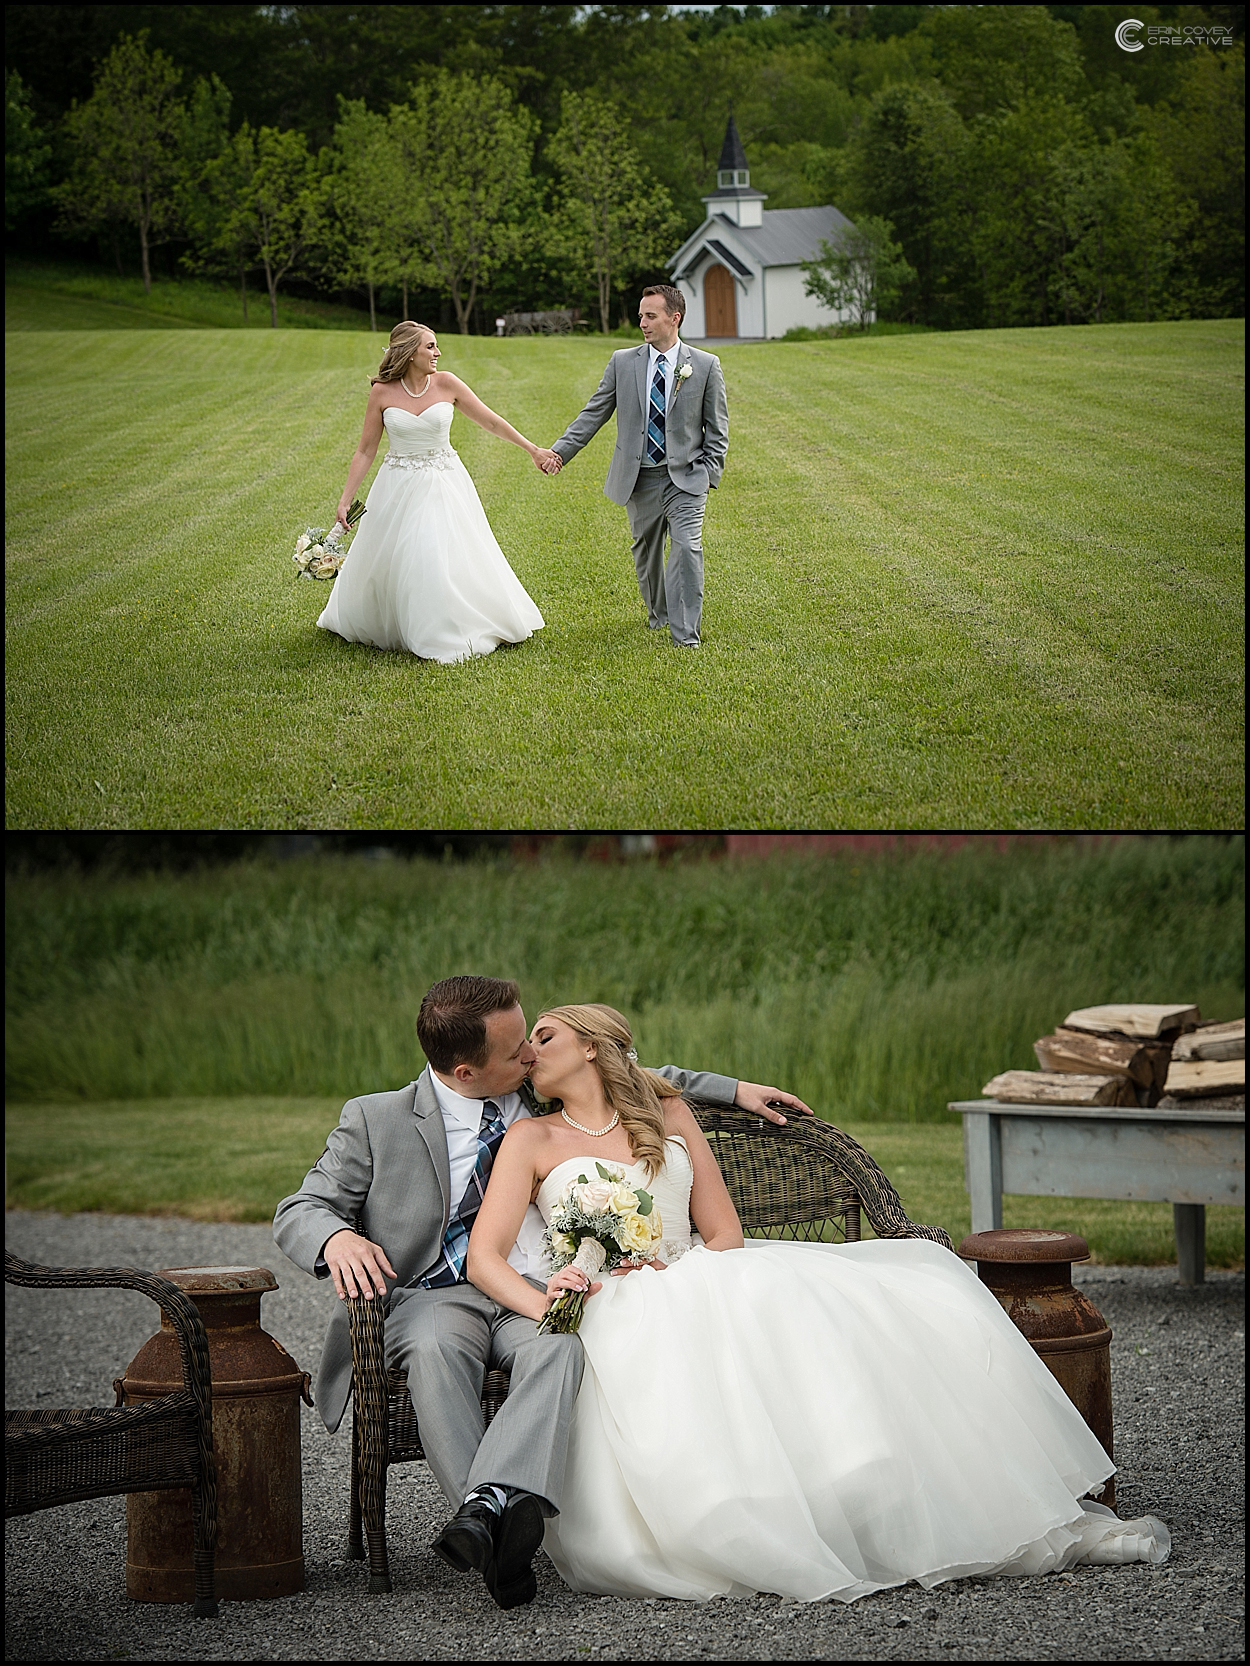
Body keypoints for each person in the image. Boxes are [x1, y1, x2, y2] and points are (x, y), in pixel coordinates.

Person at [467, 1003, 1172, 1604]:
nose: (529, 1052)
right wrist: (548, 1300)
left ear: (592, 1046)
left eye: (546, 1036)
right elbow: (484, 1258)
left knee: (888, 1294)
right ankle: (744, 1517)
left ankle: (880, 1501)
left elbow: (724, 1233)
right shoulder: (531, 1138)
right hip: (607, 1300)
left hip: (701, 1271)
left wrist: (682, 1273)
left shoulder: (667, 1111)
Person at [272, 975, 811, 1610]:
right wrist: (336, 1238)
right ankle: (496, 1522)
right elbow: (299, 1207)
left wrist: (735, 1089)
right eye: (517, 1051)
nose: (531, 1055)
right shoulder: (376, 1119)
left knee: (560, 1348)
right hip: (433, 1295)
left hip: (533, 1286)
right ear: (467, 1071)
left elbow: (623, 1065)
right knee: (440, 1349)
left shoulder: (532, 1088)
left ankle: (485, 1517)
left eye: (533, 1040)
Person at [316, 321, 555, 662]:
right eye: (430, 347)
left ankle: (444, 627)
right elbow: (366, 450)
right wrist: (345, 499)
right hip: (397, 484)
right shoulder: (382, 392)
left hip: (444, 480)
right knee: (399, 555)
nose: (437, 353)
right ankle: (400, 621)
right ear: (409, 352)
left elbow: (490, 421)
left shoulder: (447, 383)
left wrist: (533, 449)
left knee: (435, 550)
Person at [546, 285, 729, 648]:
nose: (641, 323)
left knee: (687, 549)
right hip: (639, 477)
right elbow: (593, 413)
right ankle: (659, 615)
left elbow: (717, 427)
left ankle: (685, 635)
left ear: (674, 319)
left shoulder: (705, 365)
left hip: (686, 478)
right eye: (641, 315)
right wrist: (560, 452)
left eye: (650, 316)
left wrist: (708, 472)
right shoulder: (623, 362)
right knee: (646, 554)